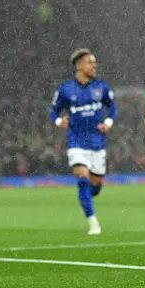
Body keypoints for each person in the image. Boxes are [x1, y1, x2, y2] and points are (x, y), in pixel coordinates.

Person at [50, 49, 117, 235]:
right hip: (76, 142)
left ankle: (88, 197)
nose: (94, 65)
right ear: (79, 65)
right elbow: (53, 111)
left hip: (97, 143)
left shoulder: (101, 87)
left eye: (94, 62)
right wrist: (59, 121)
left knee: (94, 187)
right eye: (90, 62)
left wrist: (108, 122)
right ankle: (93, 223)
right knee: (81, 177)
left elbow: (112, 107)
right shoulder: (65, 89)